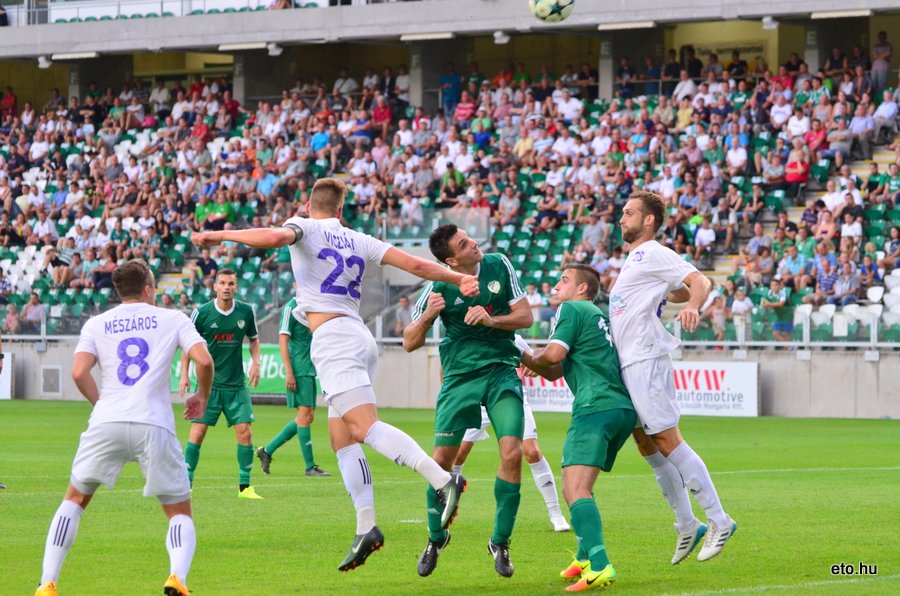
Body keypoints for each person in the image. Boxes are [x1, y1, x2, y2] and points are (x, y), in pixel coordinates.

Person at [191, 177, 475, 572]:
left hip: (333, 338)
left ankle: (443, 479)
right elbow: (413, 264)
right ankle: (366, 527)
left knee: (363, 427)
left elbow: (275, 237)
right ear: (341, 210)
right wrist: (459, 277)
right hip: (359, 336)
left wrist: (220, 234)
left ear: (308, 206)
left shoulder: (303, 226)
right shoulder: (359, 238)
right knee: (341, 437)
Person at [34, 260, 214, 596]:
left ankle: (47, 582)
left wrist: (101, 403)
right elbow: (204, 360)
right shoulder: (172, 318)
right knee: (178, 510)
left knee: (74, 500)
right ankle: (177, 577)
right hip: (153, 423)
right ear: (148, 288)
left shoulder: (96, 323)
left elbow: (78, 373)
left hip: (106, 421)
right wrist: (201, 397)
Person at [609, 190, 736, 564]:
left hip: (646, 357)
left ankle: (719, 519)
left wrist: (693, 306)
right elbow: (676, 285)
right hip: (630, 361)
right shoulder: (638, 260)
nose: (622, 219)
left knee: (666, 438)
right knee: (646, 443)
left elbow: (699, 282)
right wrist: (673, 289)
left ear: (649, 220)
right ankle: (686, 523)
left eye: (629, 213)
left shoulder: (652, 251)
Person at [403, 224, 531, 578]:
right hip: (459, 378)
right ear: (450, 260)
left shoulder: (499, 265)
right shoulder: (437, 285)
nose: (474, 243)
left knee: (512, 453)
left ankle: (500, 542)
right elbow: (409, 341)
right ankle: (435, 538)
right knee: (441, 462)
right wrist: (429, 315)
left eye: (469, 237)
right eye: (464, 243)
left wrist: (491, 320)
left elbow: (526, 317)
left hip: (501, 371)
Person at [517, 264, 636, 592]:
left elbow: (552, 354)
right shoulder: (595, 315)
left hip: (595, 407)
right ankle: (584, 557)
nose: (556, 286)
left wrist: (526, 351)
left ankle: (600, 565)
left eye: (564, 281)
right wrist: (529, 358)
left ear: (583, 289)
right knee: (577, 482)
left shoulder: (571, 308)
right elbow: (555, 370)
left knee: (575, 490)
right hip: (619, 407)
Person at [178, 269, 263, 499]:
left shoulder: (246, 311)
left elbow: (254, 340)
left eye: (231, 283)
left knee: (245, 433)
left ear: (236, 287)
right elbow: (186, 344)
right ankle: (186, 484)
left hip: (236, 386)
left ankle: (245, 489)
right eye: (223, 283)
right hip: (208, 387)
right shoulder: (201, 313)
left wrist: (256, 363)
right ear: (215, 287)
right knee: (198, 433)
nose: (227, 287)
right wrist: (184, 374)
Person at [451, 399, 570, 534]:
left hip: (510, 395)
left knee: (533, 453)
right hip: (478, 398)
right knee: (457, 456)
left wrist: (540, 375)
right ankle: (448, 509)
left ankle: (556, 514)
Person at [255, 297, 330, 477]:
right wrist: (289, 371)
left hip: (309, 368)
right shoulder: (290, 308)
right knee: (304, 415)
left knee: (307, 416)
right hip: (298, 368)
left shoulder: (314, 304)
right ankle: (310, 467)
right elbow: (283, 340)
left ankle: (266, 451)